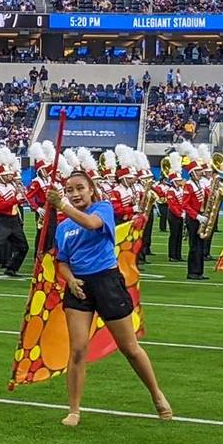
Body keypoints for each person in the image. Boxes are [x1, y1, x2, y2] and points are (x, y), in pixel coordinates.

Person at [48, 172, 170, 428]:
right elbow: (61, 262)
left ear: (91, 190)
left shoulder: (102, 209)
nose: (75, 193)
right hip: (79, 288)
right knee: (78, 349)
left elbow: (91, 224)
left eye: (80, 188)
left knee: (129, 347)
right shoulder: (62, 227)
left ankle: (156, 393)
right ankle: (74, 409)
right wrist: (69, 280)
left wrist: (62, 205)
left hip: (107, 282)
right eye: (69, 190)